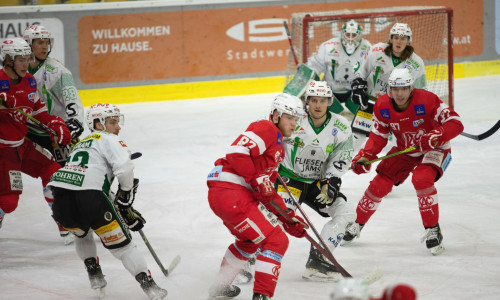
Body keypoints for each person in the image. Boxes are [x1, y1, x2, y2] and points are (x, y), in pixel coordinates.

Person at [48, 103, 167, 300]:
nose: (118, 127)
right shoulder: (107, 138)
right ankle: (150, 288)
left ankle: (94, 274)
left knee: (81, 233)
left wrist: (117, 202)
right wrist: (126, 196)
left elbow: (89, 182)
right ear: (98, 124)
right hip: (91, 196)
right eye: (113, 122)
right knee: (123, 247)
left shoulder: (80, 143)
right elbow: (125, 167)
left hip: (61, 196)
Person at [342, 68, 464, 256]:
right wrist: (366, 155)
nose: (399, 94)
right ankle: (357, 224)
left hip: (435, 148)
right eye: (395, 89)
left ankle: (433, 230)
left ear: (411, 88)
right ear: (389, 89)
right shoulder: (382, 106)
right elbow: (378, 137)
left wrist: (438, 134)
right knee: (378, 185)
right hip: (406, 148)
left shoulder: (428, 100)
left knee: (421, 178)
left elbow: (456, 122)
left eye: (404, 89)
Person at [206, 93, 308, 300]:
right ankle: (261, 296)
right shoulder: (267, 127)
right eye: (290, 117)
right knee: (277, 240)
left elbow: (265, 192)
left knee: (249, 242)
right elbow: (236, 151)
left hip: (225, 195)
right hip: (231, 193)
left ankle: (219, 287)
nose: (294, 124)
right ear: (276, 115)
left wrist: (287, 217)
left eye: (296, 119)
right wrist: (256, 179)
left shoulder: (277, 146)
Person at [276, 80, 355, 281]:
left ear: (330, 102)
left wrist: (331, 180)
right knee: (273, 219)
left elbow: (342, 155)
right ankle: (247, 261)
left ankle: (319, 257)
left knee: (345, 212)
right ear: (307, 101)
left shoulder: (340, 125)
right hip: (288, 180)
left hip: (316, 185)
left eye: (322, 100)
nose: (318, 105)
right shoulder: (294, 119)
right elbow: (273, 142)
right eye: (313, 100)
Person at [0, 38, 71, 231]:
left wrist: (56, 123)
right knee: (8, 203)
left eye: (27, 58)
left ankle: (62, 221)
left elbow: (39, 112)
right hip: (3, 151)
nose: (26, 64)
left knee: (53, 171)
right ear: (8, 60)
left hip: (21, 145)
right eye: (21, 60)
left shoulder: (30, 81)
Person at [23, 24, 85, 244]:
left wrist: (74, 121)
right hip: (25, 131)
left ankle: (64, 221)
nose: (44, 46)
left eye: (47, 42)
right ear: (29, 45)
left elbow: (71, 97)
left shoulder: (57, 71)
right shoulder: (15, 70)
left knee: (59, 176)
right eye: (39, 42)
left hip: (53, 132)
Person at [350, 23, 426, 151]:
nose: (399, 41)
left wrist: (418, 111)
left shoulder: (416, 63)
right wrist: (357, 88)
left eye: (403, 38)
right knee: (355, 140)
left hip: (394, 109)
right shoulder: (376, 51)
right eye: (396, 37)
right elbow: (360, 73)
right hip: (369, 103)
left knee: (393, 146)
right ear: (390, 39)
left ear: (408, 41)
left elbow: (422, 92)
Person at [306, 20, 371, 116]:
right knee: (320, 116)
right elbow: (314, 66)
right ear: (342, 34)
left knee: (366, 116)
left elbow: (370, 72)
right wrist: (307, 74)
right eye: (347, 34)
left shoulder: (367, 47)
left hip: (354, 92)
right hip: (330, 92)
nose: (350, 39)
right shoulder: (328, 46)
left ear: (359, 35)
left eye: (354, 35)